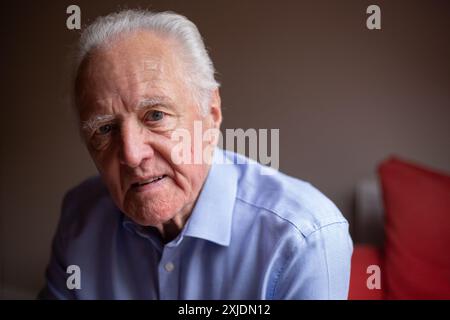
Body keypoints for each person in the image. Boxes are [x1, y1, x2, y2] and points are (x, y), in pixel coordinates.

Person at [39, 9, 353, 299]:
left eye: (156, 115)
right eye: (105, 129)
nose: (132, 155)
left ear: (212, 112)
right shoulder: (81, 216)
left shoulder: (303, 238)